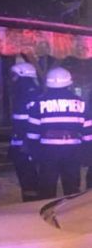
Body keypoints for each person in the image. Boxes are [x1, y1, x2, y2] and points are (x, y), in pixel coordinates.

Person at [26, 67, 88, 199]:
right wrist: (87, 152)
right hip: (72, 150)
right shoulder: (81, 103)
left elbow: (32, 134)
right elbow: (88, 132)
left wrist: (34, 153)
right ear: (69, 83)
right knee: (72, 188)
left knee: (47, 187)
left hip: (48, 150)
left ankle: (46, 209)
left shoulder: (39, 103)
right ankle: (71, 211)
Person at [8, 62, 41, 202]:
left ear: (23, 76)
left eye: (15, 75)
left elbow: (23, 123)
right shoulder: (32, 93)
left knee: (28, 176)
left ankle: (31, 203)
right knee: (29, 176)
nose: (12, 79)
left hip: (25, 145)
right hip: (25, 143)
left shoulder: (26, 94)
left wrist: (22, 145)